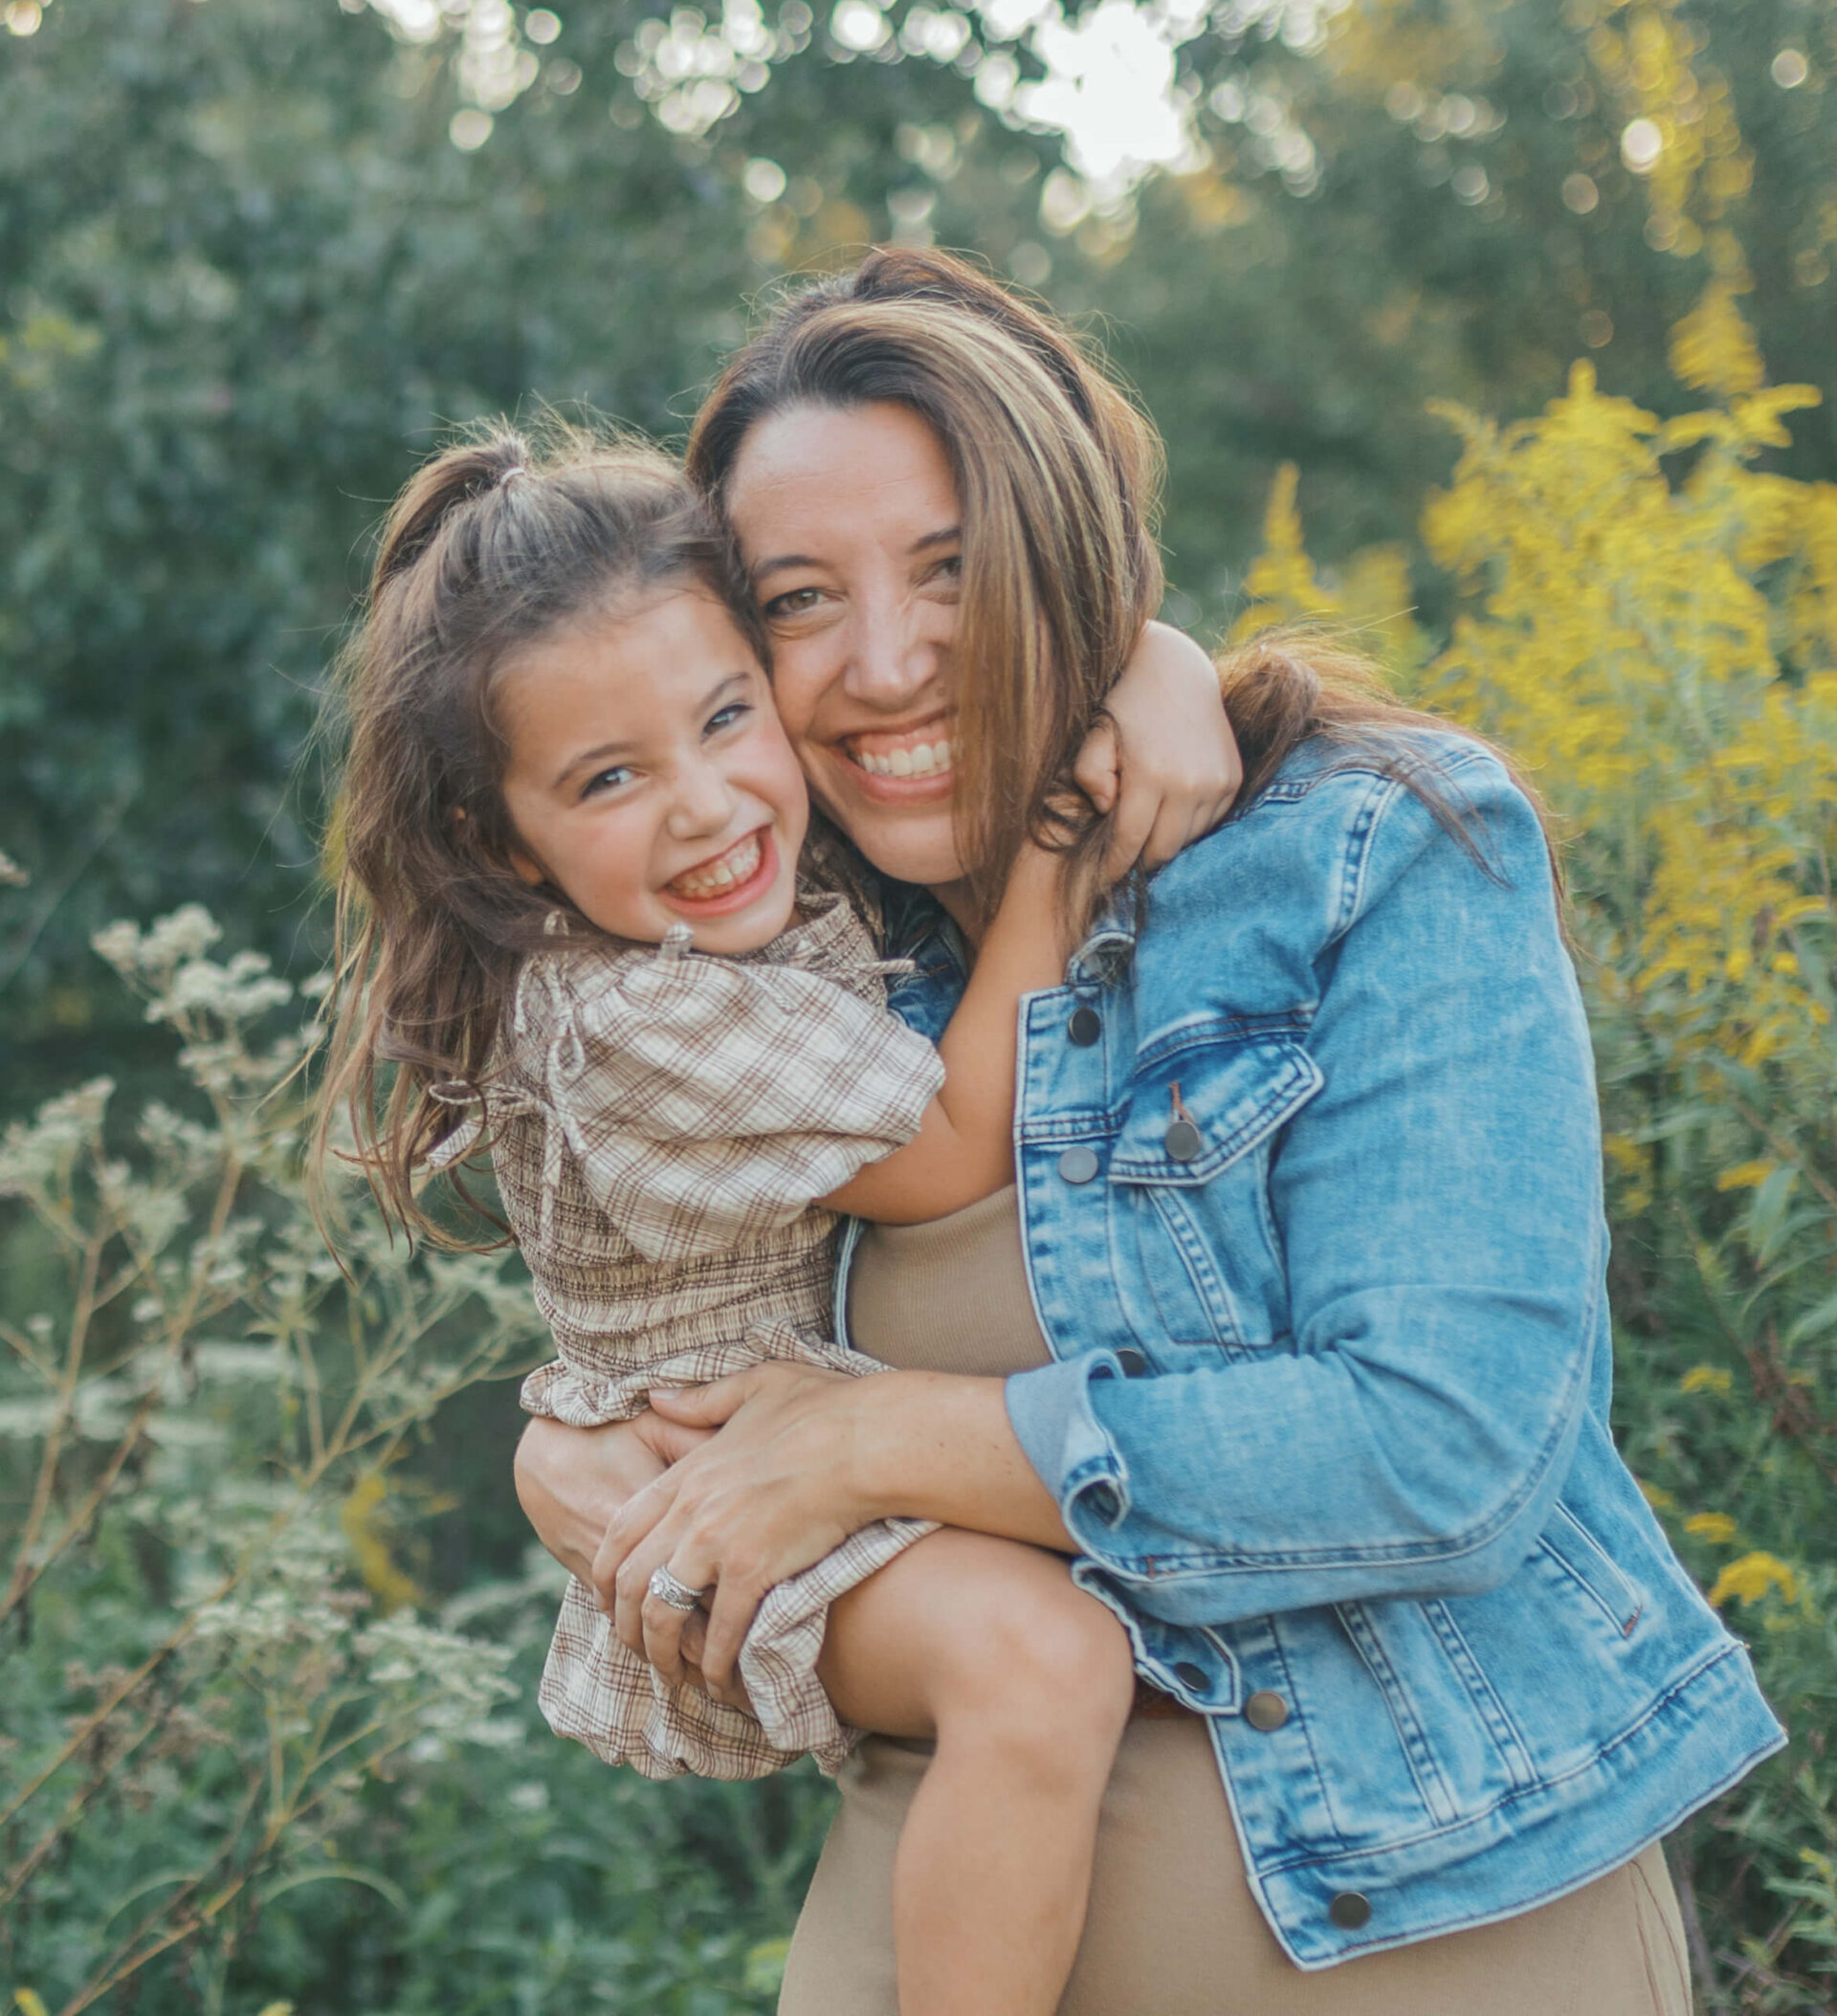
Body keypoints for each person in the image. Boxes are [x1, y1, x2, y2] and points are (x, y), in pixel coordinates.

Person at [516, 247, 1787, 2014]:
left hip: (1433, 1937)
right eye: (798, 600)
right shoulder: (788, 956)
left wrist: (875, 1445)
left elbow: (1443, 1444)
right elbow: (656, 1346)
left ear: (1070, 557)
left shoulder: (1369, 854)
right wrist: (569, 1458)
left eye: (954, 571)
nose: (884, 663)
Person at [315, 425, 1235, 2016]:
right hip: (708, 1483)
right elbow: (948, 1149)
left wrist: (1154, 662)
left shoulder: (753, 907)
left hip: (797, 1456)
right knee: (1039, 1664)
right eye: (609, 778)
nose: (703, 805)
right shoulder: (638, 1017)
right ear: (499, 842)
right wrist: (1057, 854)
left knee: (1071, 1616)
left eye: (726, 715)